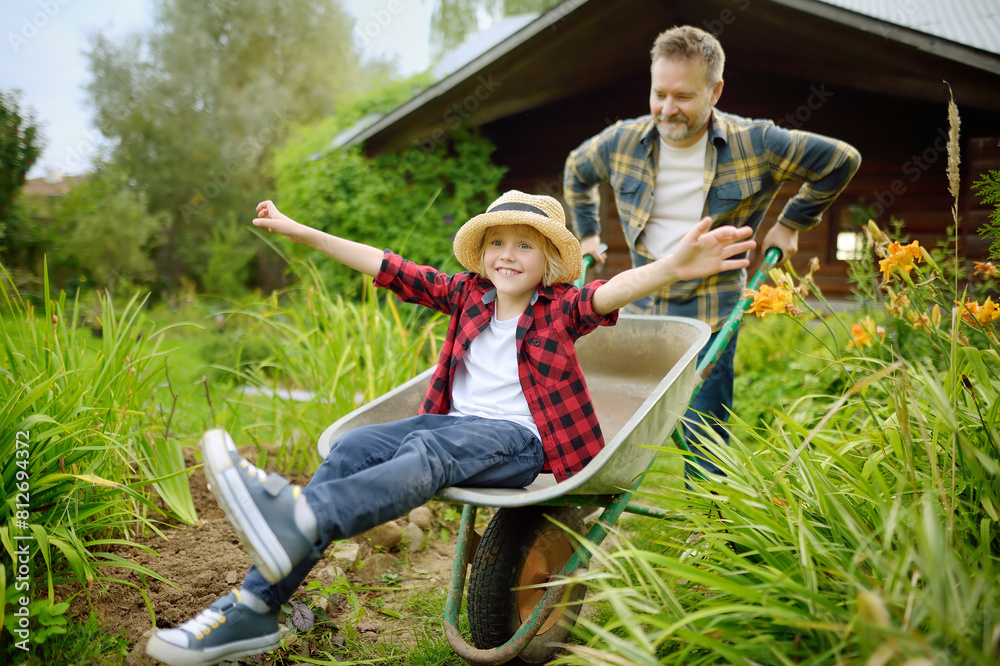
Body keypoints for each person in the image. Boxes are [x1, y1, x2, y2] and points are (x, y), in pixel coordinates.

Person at [145, 189, 754, 665]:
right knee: (355, 447)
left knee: (431, 448)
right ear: (481, 253)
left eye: (524, 245)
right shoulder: (467, 295)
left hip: (522, 444)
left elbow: (612, 291)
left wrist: (672, 266)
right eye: (498, 243)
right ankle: (254, 606)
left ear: (548, 263)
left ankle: (304, 517)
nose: (507, 255)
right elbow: (387, 265)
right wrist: (300, 230)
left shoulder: (561, 310)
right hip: (451, 430)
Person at [563, 25, 861, 476]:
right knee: (616, 414)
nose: (666, 109)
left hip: (712, 309)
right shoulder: (622, 141)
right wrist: (586, 234)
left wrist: (792, 223)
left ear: (715, 90)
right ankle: (589, 493)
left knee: (704, 425)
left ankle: (706, 529)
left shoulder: (756, 143)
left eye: (682, 96)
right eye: (658, 93)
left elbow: (841, 160)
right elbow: (576, 171)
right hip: (641, 303)